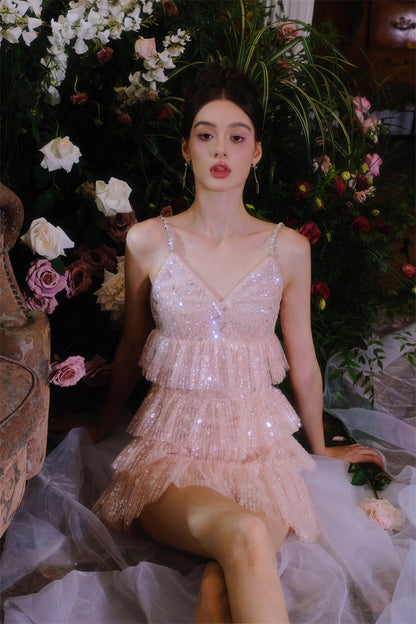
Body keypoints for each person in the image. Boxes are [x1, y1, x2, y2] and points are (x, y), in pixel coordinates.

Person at [87, 65, 385, 624]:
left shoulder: (287, 249)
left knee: (222, 582)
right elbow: (131, 344)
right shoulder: (148, 241)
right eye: (206, 135)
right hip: (170, 459)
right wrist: (103, 427)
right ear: (186, 149)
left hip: (261, 456)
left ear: (257, 152)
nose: (221, 149)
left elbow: (303, 359)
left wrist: (319, 448)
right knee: (245, 535)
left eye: (237, 136)